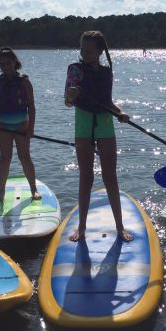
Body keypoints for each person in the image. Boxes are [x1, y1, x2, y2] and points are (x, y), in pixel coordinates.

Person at [64, 31, 133, 242]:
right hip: (83, 126)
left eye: (90, 51)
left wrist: (120, 112)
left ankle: (120, 227)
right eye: (82, 50)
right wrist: (71, 95)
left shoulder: (106, 72)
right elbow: (67, 102)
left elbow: (108, 102)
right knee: (86, 177)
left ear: (100, 51)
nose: (85, 54)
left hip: (105, 125)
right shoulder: (74, 70)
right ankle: (82, 228)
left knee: (110, 177)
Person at [0, 47, 41, 202]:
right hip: (3, 126)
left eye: (8, 63)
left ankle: (34, 189)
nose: (5, 66)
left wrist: (31, 128)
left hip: (21, 126)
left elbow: (31, 107)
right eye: (2, 64)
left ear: (15, 62)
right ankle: (1, 192)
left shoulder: (24, 82)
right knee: (5, 158)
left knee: (25, 157)